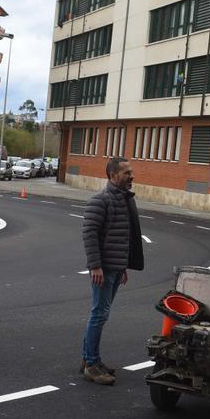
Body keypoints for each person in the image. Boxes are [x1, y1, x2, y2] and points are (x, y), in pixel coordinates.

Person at [79, 157, 144, 386]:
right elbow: (89, 235)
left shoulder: (124, 200)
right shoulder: (101, 200)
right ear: (112, 175)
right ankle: (92, 366)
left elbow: (122, 237)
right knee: (99, 315)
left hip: (115, 268)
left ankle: (88, 358)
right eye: (126, 172)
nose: (131, 176)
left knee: (100, 314)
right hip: (103, 269)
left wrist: (123, 266)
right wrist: (95, 266)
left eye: (131, 172)